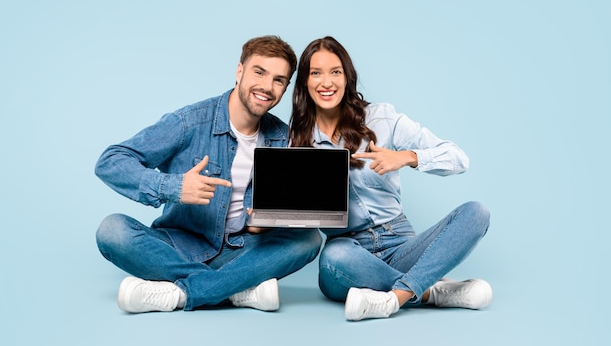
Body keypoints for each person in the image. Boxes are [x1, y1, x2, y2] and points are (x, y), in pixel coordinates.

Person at [95, 35, 322, 314]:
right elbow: (110, 161)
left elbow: (285, 208)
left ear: (286, 87)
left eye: (278, 80)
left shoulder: (282, 138)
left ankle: (179, 293)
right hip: (180, 245)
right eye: (259, 72)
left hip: (242, 250)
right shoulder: (189, 122)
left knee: (309, 238)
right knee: (112, 231)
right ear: (239, 71)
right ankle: (236, 289)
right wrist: (175, 187)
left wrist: (267, 223)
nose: (266, 86)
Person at [289, 36, 492, 321]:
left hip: (400, 242)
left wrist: (407, 157)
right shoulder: (296, 142)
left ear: (347, 77)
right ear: (305, 83)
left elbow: (458, 158)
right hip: (350, 248)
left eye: (335, 71)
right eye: (316, 73)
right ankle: (430, 292)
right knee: (333, 261)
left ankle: (397, 297)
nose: (327, 82)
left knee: (476, 213)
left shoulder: (381, 118)